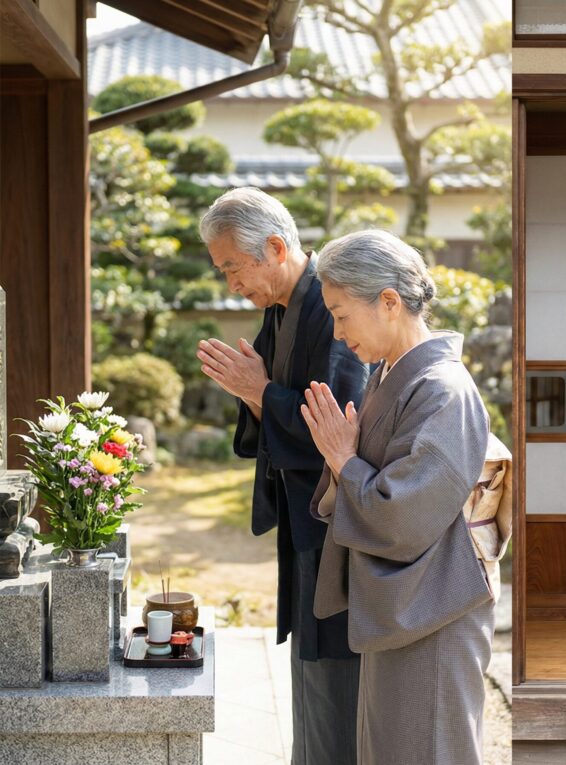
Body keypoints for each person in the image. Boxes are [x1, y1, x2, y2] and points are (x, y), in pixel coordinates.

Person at [299, 229, 494, 764]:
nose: (337, 333)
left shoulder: (443, 389)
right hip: (408, 603)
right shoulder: (391, 375)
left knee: (428, 749)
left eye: (341, 314)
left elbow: (404, 516)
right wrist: (342, 460)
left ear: (388, 301)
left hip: (436, 611)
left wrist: (343, 460)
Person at [196, 188, 368, 764]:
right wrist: (256, 393)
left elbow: (337, 424)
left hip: (337, 521)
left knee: (335, 670)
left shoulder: (330, 309)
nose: (231, 285)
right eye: (223, 272)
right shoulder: (280, 309)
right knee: (309, 668)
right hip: (305, 521)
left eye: (233, 268)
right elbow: (268, 403)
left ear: (274, 247)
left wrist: (259, 390)